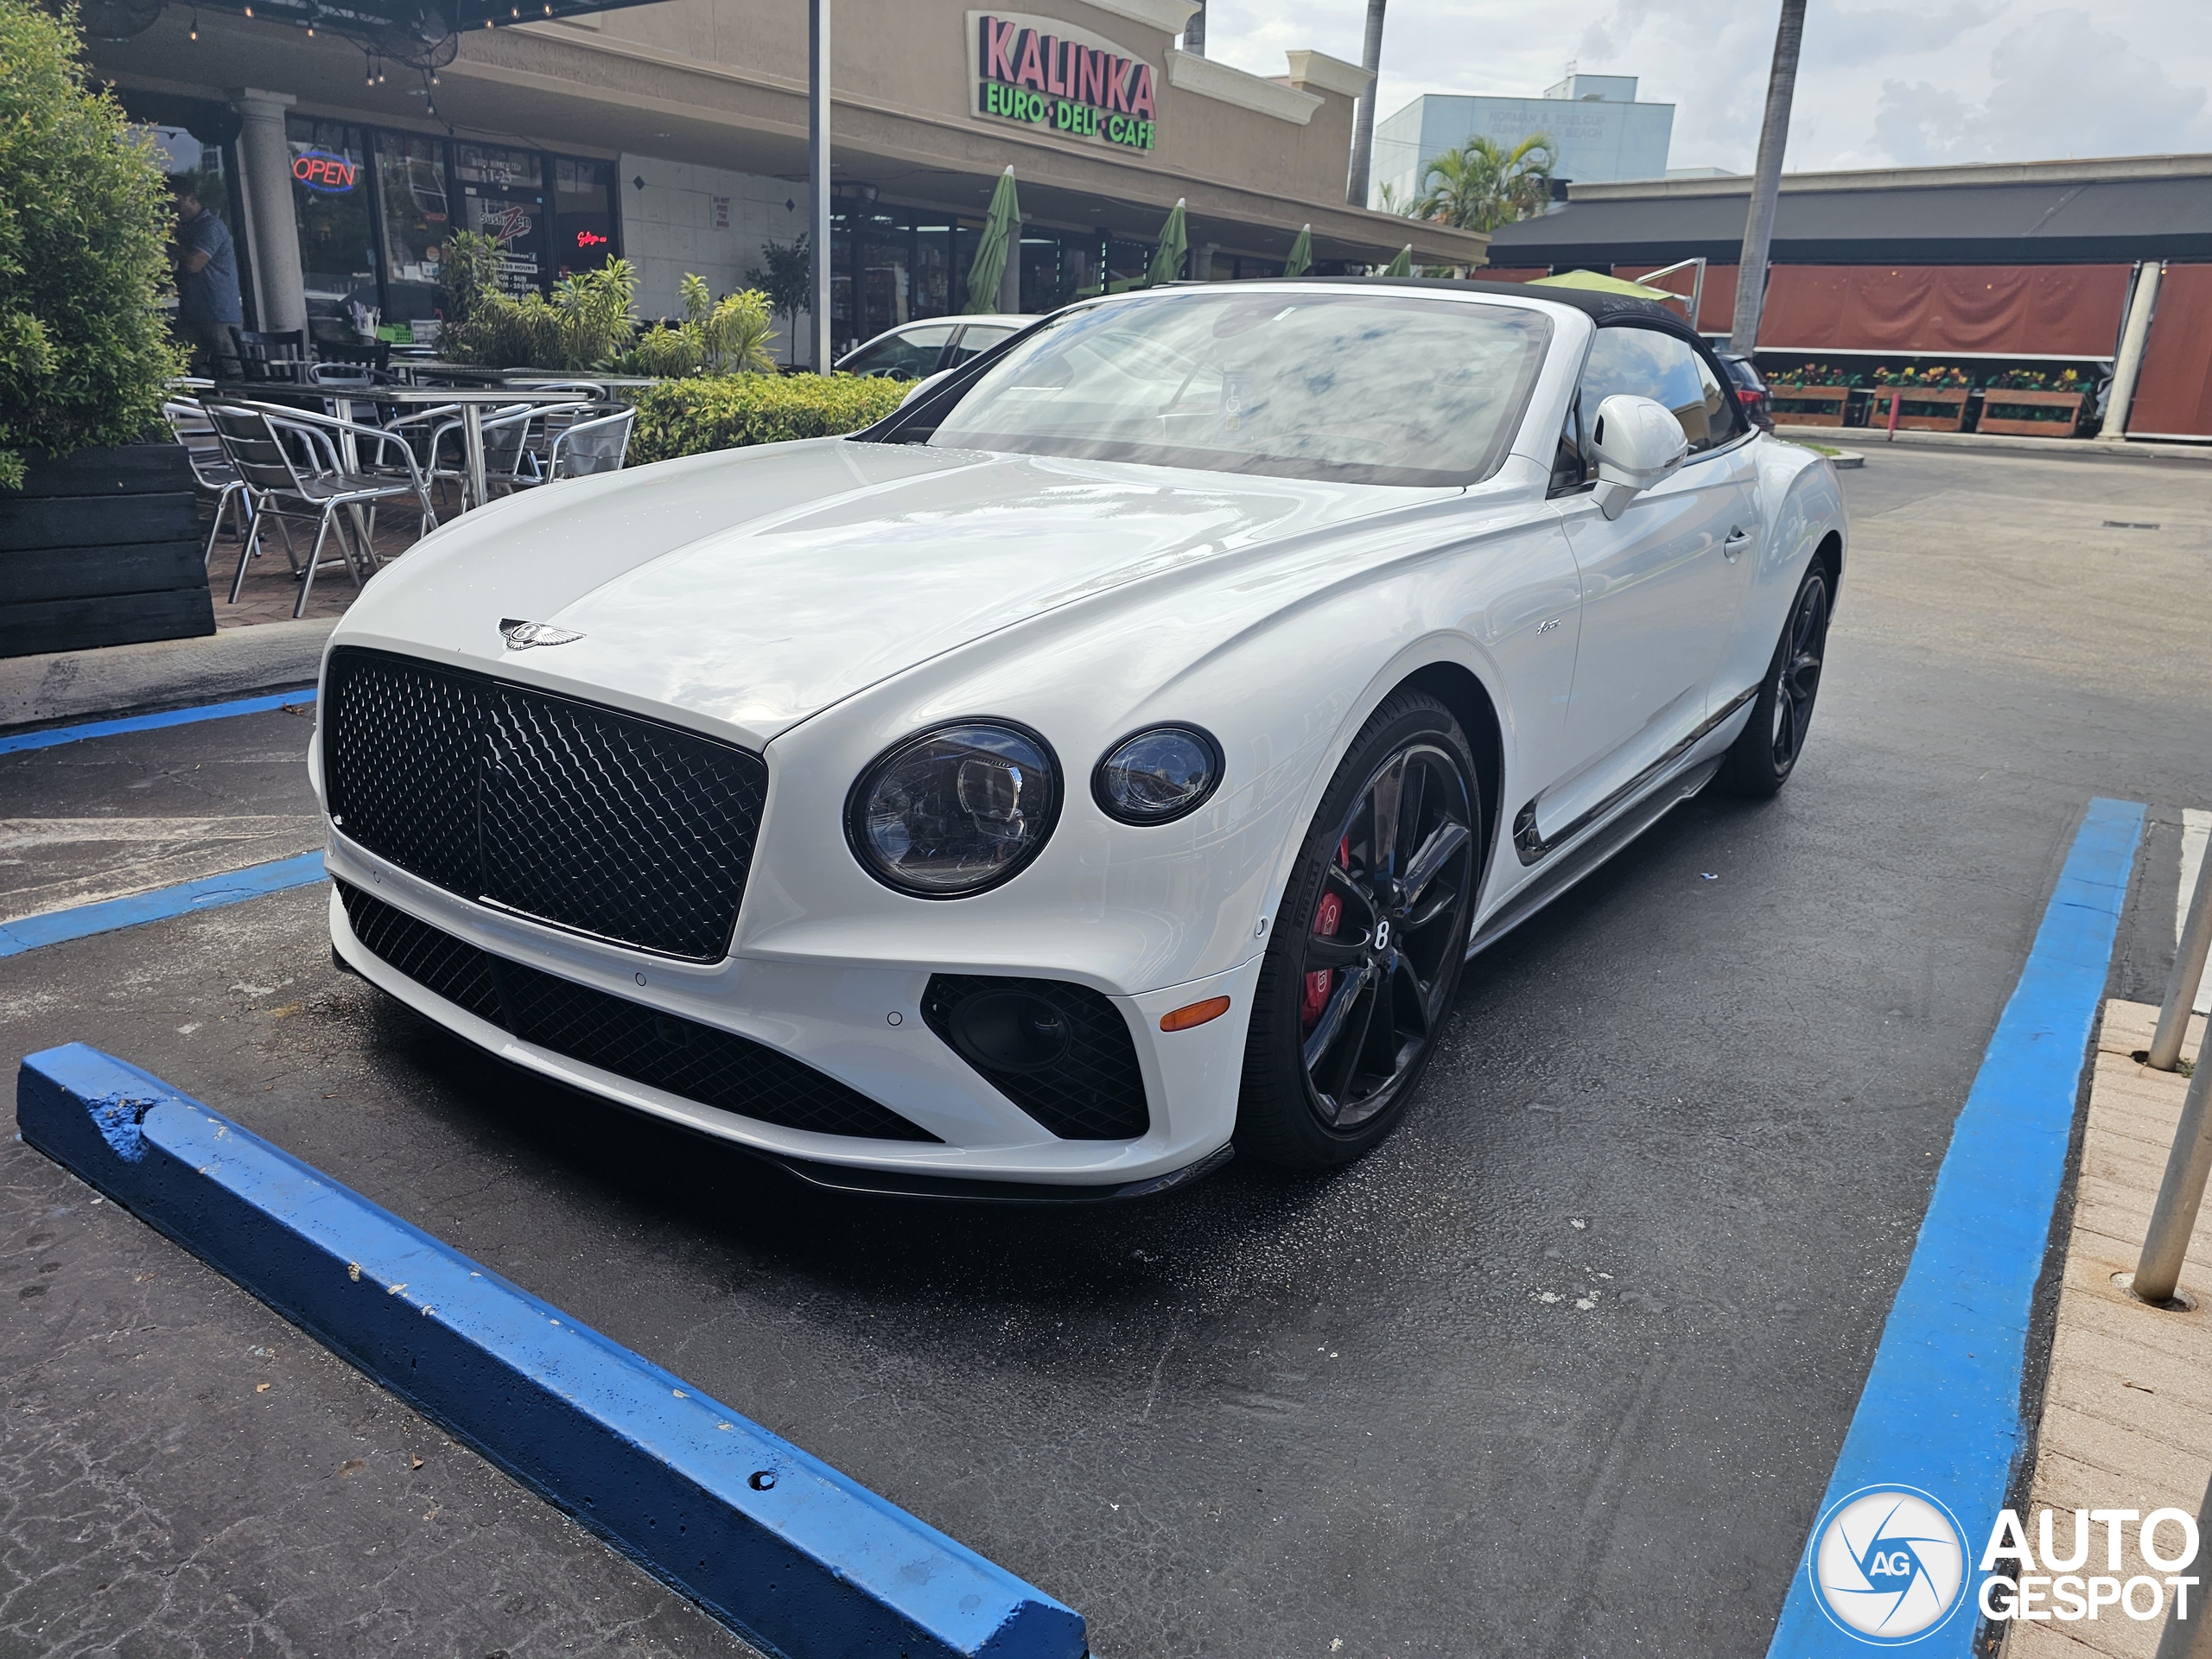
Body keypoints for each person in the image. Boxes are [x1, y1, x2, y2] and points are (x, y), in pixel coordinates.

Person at [168, 176, 242, 378]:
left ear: (191, 199)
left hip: (218, 314)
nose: (172, 211)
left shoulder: (211, 227)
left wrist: (172, 240)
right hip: (192, 313)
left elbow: (193, 264)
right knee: (178, 365)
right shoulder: (186, 229)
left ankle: (239, 407)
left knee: (231, 371)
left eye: (175, 204)